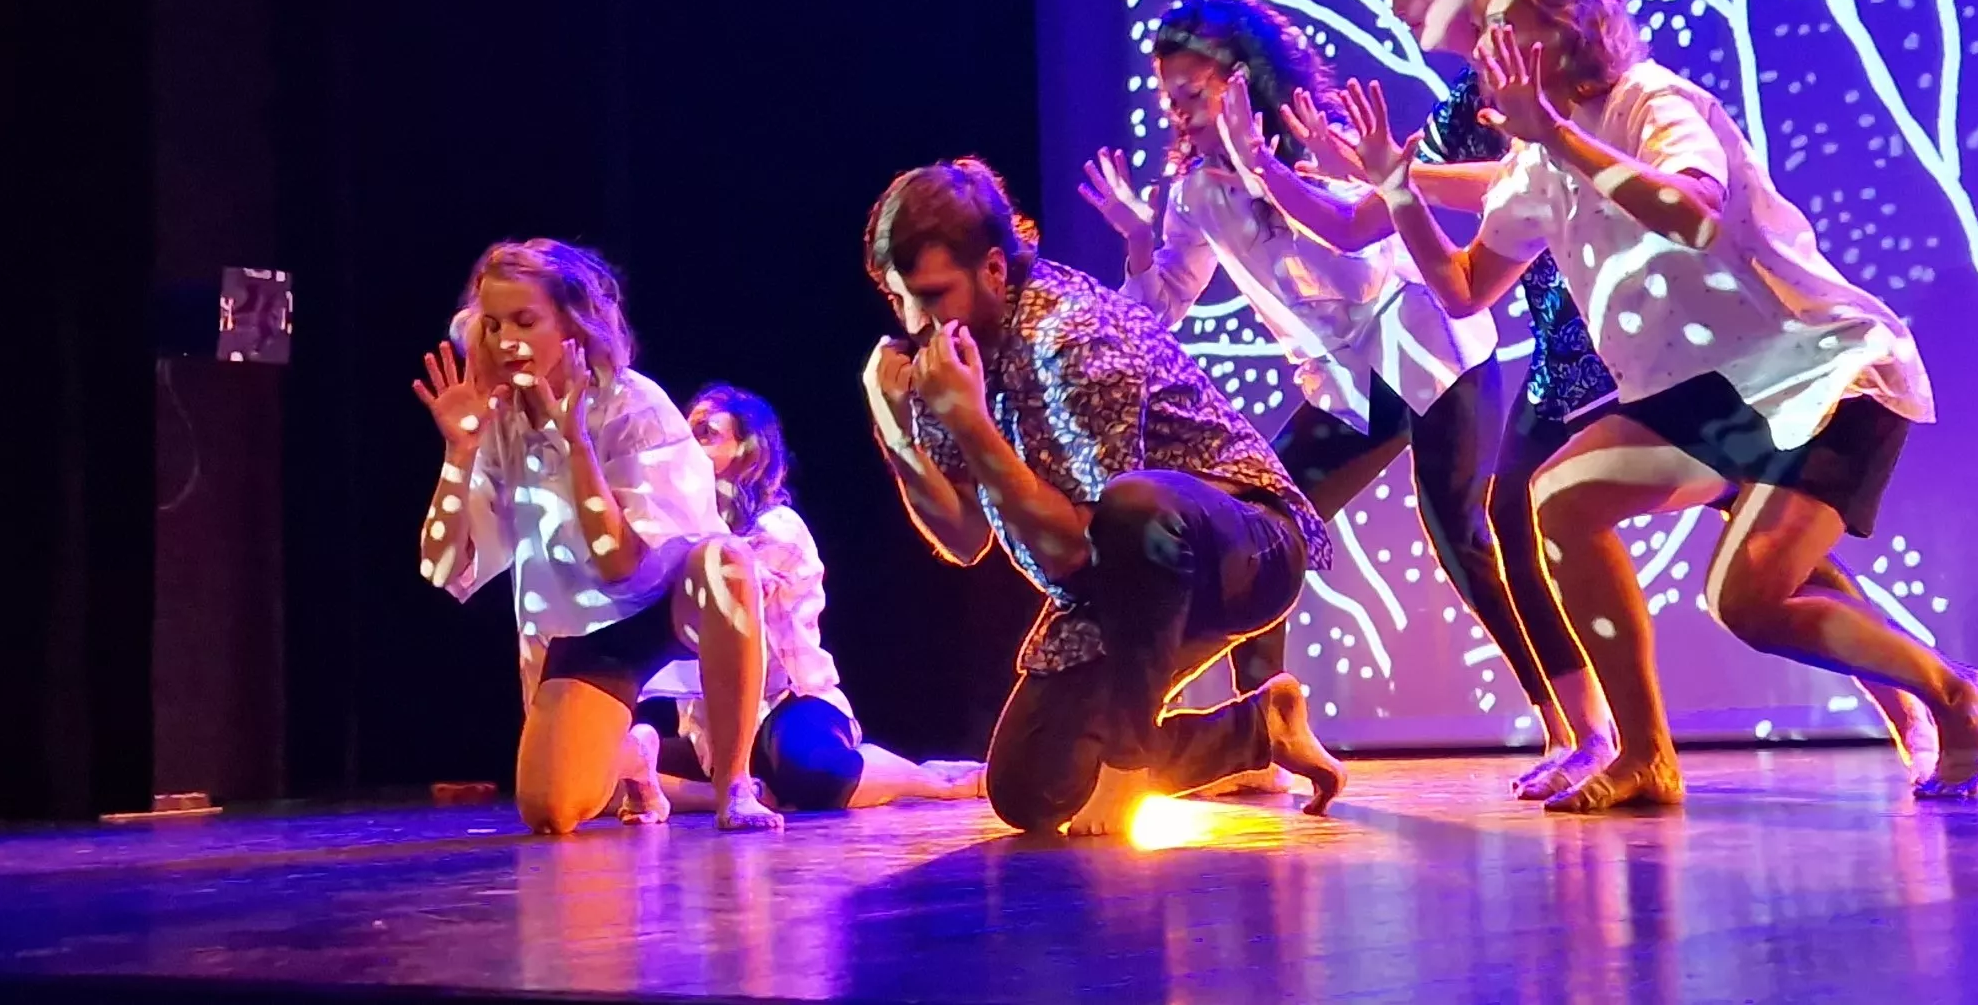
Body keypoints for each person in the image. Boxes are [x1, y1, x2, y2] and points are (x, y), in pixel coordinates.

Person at [1323, 0, 1978, 811]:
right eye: (1489, 28)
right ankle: (1645, 753)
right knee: (1560, 495)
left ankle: (1952, 691)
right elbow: (1463, 289)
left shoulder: (1650, 101)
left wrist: (1559, 136)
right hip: (1710, 394)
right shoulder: (1533, 165)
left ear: (1569, 31)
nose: (1494, 45)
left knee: (1748, 600)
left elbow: (1692, 213)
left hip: (1827, 370)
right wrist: (1399, 189)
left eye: (1512, 25)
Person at [1078, 0, 1557, 784]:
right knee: (1258, 530)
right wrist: (1136, 241)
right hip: (1345, 384)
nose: (1180, 113)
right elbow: (1158, 310)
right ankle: (1261, 736)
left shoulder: (1315, 138)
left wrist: (1264, 168)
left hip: (1426, 347)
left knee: (1462, 536)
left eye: (1193, 93)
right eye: (1171, 99)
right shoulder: (1197, 193)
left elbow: (1356, 242)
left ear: (1241, 80)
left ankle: (1564, 721)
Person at [859, 159, 1348, 837]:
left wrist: (972, 425)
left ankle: (1129, 765)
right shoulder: (949, 353)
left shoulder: (1074, 335)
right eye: (898, 299)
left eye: (932, 294)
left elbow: (1078, 545)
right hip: (1116, 588)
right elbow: (965, 538)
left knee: (1133, 506)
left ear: (994, 270)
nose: (916, 320)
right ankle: (1258, 728)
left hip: (1244, 548)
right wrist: (897, 432)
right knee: (1029, 788)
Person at [410, 239, 782, 833]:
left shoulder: (636, 406)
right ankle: (635, 757)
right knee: (551, 812)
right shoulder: (498, 420)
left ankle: (734, 786)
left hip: (669, 599)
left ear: (572, 324)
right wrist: (460, 451)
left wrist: (576, 444)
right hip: (590, 628)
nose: (506, 341)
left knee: (728, 562)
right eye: (494, 324)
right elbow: (440, 566)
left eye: (525, 321)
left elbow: (620, 565)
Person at [635, 384, 986, 813]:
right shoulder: (683, 538)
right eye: (685, 434)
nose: (689, 446)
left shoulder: (777, 529)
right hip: (709, 728)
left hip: (790, 703)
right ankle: (740, 793)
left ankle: (939, 782)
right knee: (605, 764)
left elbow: (727, 593)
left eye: (706, 433)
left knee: (815, 776)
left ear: (748, 452)